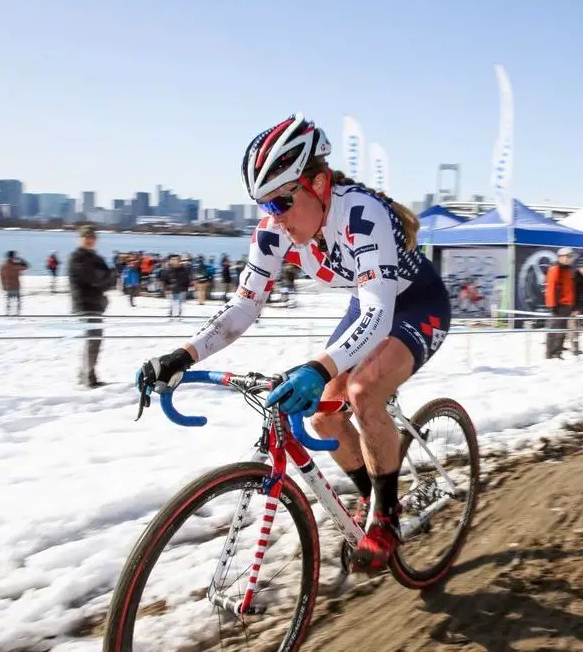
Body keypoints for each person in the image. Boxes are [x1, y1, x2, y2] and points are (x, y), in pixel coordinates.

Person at [135, 113, 451, 573]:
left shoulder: (362, 214)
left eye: (283, 201)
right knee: (323, 417)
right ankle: (376, 498)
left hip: (414, 305)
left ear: (319, 183)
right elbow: (244, 307)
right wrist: (182, 356)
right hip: (367, 305)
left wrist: (320, 367)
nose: (275, 218)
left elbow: (379, 314)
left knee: (362, 392)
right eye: (265, 205)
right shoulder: (272, 229)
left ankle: (386, 517)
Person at [68, 226, 114, 388]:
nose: (89, 240)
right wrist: (103, 280)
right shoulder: (77, 258)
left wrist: (104, 280)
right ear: (80, 239)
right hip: (85, 304)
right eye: (86, 237)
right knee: (93, 339)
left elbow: (109, 279)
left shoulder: (97, 258)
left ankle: (88, 374)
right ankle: (87, 377)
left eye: (92, 237)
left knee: (95, 340)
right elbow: (93, 279)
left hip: (97, 304)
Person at [544, 248, 576, 359]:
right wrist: (553, 305)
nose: (569, 259)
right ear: (561, 257)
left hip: (567, 305)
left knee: (562, 331)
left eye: (570, 256)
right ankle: (550, 353)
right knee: (554, 330)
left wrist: (572, 304)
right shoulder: (555, 269)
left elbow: (570, 289)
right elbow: (551, 288)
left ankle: (557, 352)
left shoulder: (567, 270)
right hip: (558, 305)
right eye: (567, 256)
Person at [0, 250, 29, 315]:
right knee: (12, 301)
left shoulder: (4, 265)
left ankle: (12, 313)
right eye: (14, 256)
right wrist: (21, 260)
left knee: (13, 301)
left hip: (13, 286)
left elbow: (26, 267)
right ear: (12, 257)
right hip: (11, 286)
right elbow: (26, 266)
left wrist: (3, 285)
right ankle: (12, 313)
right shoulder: (14, 265)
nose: (15, 258)